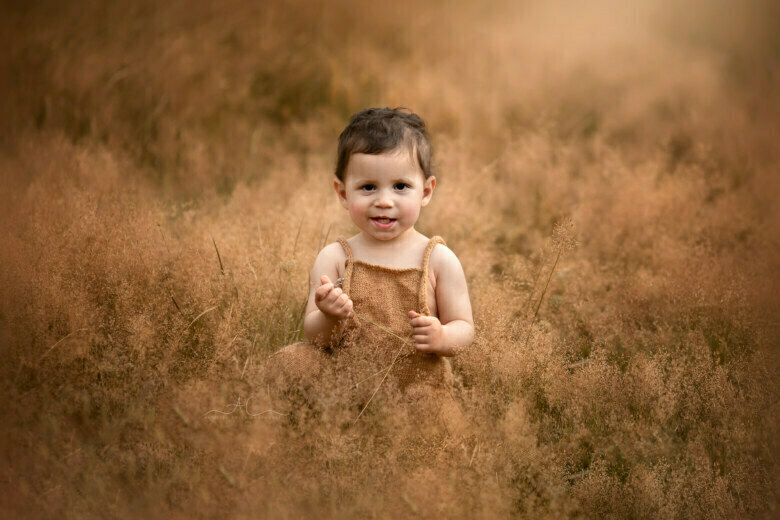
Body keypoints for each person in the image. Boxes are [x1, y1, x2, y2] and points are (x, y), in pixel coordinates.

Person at [267, 107, 474, 432]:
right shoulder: (335, 258)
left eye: (401, 186)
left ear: (427, 191)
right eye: (368, 187)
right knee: (292, 362)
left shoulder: (438, 259)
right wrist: (330, 315)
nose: (384, 200)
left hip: (419, 394)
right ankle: (312, 431)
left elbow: (465, 328)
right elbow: (317, 338)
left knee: (438, 437)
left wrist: (443, 336)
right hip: (346, 392)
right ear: (342, 192)